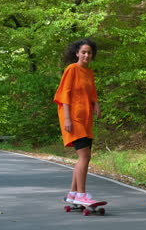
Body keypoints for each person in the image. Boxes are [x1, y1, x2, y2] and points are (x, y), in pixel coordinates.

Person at [54, 39, 101, 206]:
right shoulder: (72, 69)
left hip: (85, 118)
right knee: (84, 156)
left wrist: (96, 103)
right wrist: (67, 118)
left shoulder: (89, 72)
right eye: (83, 52)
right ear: (77, 53)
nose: (86, 55)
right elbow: (64, 95)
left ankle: (73, 193)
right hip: (72, 118)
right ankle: (82, 194)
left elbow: (91, 92)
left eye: (89, 52)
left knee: (85, 157)